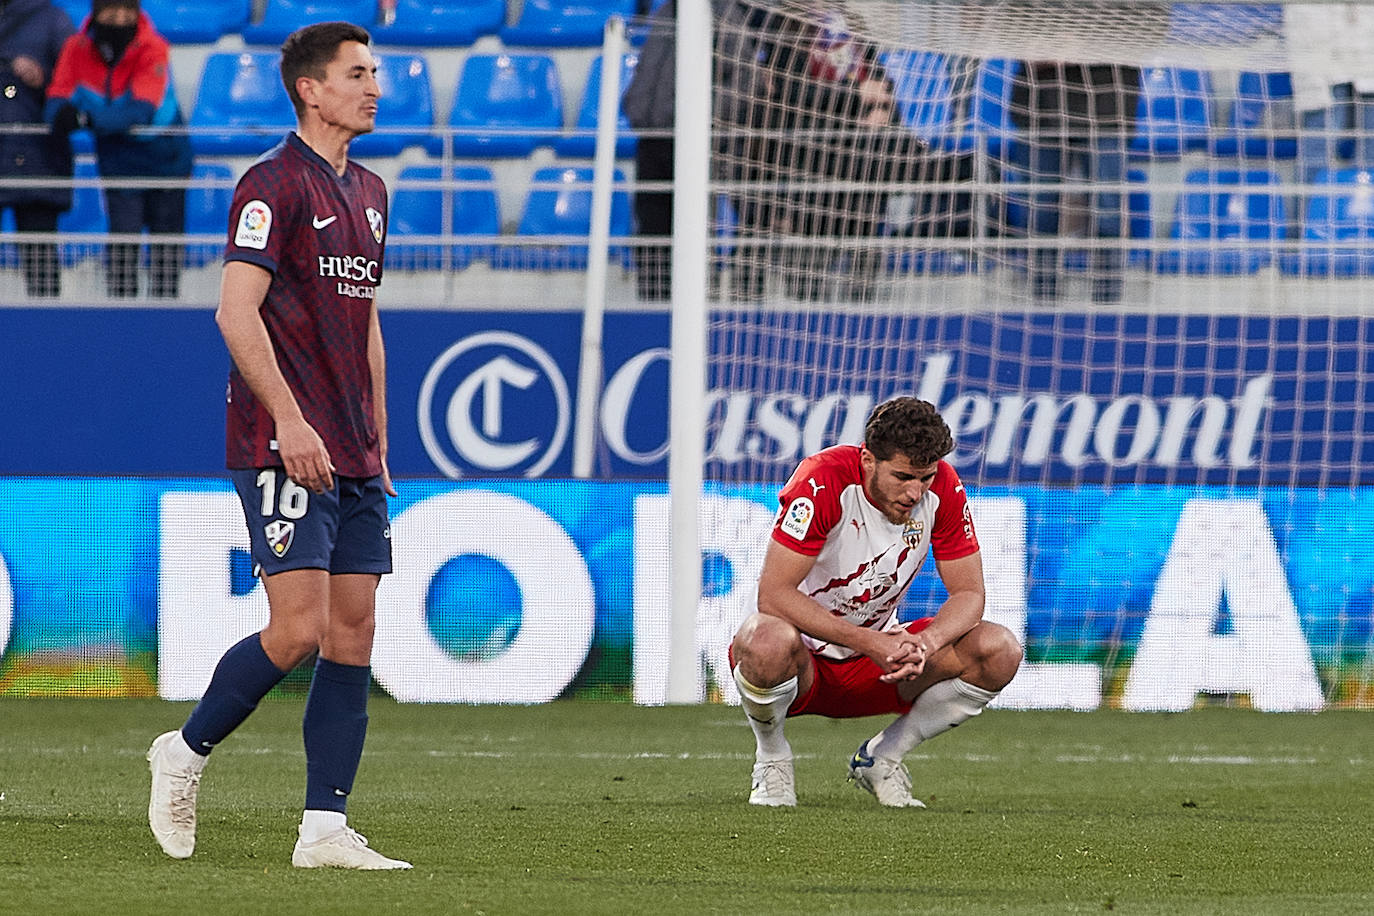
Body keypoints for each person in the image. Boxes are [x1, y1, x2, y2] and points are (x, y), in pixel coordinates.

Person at [145, 21, 409, 870]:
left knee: (354, 634)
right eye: (358, 74)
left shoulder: (370, 190)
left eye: (375, 73)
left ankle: (323, 829)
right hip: (280, 441)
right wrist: (291, 422)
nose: (375, 87)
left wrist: (378, 436)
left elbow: (366, 326)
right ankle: (183, 752)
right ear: (311, 88)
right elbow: (233, 311)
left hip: (353, 450)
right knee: (296, 630)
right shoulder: (271, 184)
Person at [729, 396, 1022, 807]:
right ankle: (772, 758)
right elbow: (774, 595)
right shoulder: (822, 481)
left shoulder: (944, 488)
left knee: (999, 650)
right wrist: (872, 643)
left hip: (880, 665)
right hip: (800, 665)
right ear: (868, 460)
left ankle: (882, 758)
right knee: (765, 639)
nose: (915, 491)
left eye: (925, 477)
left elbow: (970, 594)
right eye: (903, 476)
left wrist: (927, 644)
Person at [45, 0, 192, 298]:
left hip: (167, 161)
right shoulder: (76, 49)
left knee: (166, 251)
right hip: (118, 162)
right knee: (123, 246)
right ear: (96, 15)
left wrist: (84, 118)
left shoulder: (153, 47)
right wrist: (64, 113)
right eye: (111, 14)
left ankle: (165, 320)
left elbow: (140, 110)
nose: (119, 20)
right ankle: (122, 323)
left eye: (127, 14)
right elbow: (56, 102)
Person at [1009, 60, 1139, 303]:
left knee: (1108, 212)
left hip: (1107, 104)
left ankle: (1107, 306)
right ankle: (1042, 303)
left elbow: (1152, 28)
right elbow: (1009, 28)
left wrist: (1070, 46)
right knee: (1040, 211)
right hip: (1039, 106)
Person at [0, 0, 76, 298]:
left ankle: (49, 338)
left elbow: (75, 84)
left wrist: (43, 77)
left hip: (39, 156)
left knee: (40, 262)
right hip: (34, 154)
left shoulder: (54, 21)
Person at [1285, 4, 1374, 186]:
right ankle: (1309, 212)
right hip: (1321, 65)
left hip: (1367, 61)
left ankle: (1364, 209)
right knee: (1317, 150)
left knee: (1370, 152)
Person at [622, 0, 675, 302]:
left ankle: (684, 300)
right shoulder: (665, 12)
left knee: (686, 226)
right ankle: (653, 301)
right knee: (651, 224)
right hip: (652, 137)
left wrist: (704, 119)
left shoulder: (722, 14)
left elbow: (738, 77)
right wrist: (635, 106)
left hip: (690, 142)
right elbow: (648, 69)